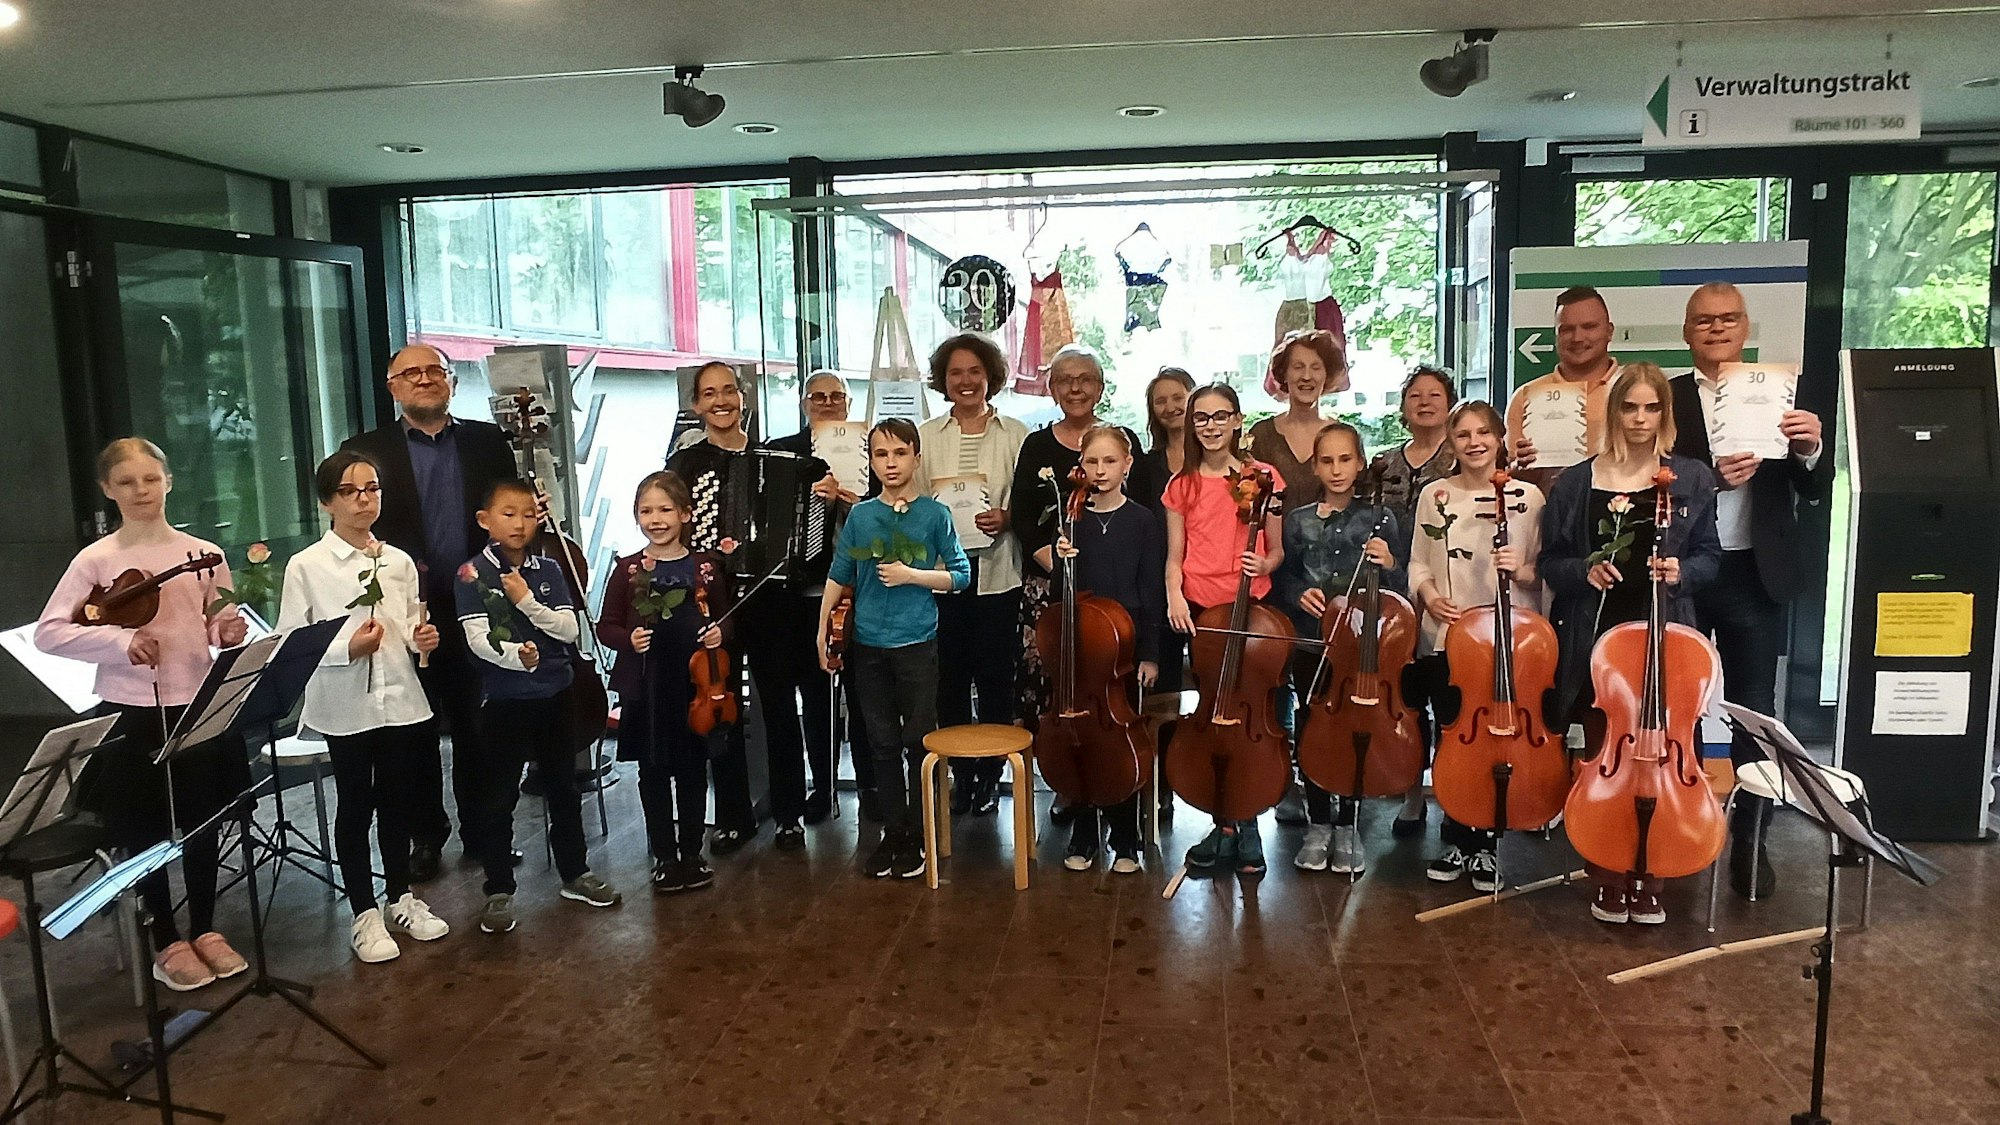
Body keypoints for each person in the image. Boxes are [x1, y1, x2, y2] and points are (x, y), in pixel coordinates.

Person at [36, 438, 252, 991]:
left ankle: (205, 927)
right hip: (132, 710)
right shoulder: (97, 559)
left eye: (150, 480)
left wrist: (227, 632)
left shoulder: (202, 552)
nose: (141, 492)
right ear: (108, 490)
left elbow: (219, 624)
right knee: (146, 827)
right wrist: (118, 641)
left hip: (197, 703)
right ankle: (167, 938)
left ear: (169, 482)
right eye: (127, 483)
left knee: (203, 821)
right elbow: (51, 632)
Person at [1538, 363, 1720, 926]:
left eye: (1651, 408)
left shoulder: (1690, 478)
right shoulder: (1575, 481)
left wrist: (1680, 573)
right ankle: (1608, 871)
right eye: (1629, 407)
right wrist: (1582, 573)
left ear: (1665, 414)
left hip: (1666, 638)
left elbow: (1711, 558)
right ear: (1613, 411)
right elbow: (1551, 562)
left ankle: (1655, 871)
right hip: (1597, 643)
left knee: (1665, 757)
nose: (1640, 419)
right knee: (1606, 758)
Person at [1670, 282, 1830, 897]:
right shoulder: (1666, 398)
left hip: (1755, 575)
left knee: (1754, 713)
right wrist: (1709, 481)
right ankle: (1676, 824)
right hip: (1686, 570)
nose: (1716, 328)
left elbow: (1815, 489)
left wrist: (1810, 448)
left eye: (1728, 318)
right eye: (1703, 320)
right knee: (1672, 703)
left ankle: (1751, 842)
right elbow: (1648, 482)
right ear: (1687, 332)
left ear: (1746, 327)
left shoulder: (1781, 395)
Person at [343, 342, 521, 883]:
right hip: (404, 615)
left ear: (451, 382)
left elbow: (509, 517)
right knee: (413, 733)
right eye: (410, 373)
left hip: (478, 607)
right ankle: (426, 835)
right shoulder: (364, 450)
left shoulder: (488, 442)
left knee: (479, 728)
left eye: (434, 371)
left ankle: (483, 831)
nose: (424, 379)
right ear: (392, 386)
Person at [276, 451, 451, 963]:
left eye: (372, 488)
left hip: (400, 697)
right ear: (327, 501)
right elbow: (291, 639)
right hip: (345, 702)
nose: (364, 499)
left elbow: (406, 625)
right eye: (350, 491)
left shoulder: (395, 560)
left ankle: (400, 896)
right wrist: (343, 649)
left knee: (399, 798)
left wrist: (425, 640)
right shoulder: (306, 565)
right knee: (356, 802)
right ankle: (362, 911)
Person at [455, 478, 622, 933]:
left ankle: (575, 872)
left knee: (563, 789)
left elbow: (569, 631)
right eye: (508, 514)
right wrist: (517, 657)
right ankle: (499, 888)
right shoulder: (471, 574)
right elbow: (475, 639)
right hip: (504, 701)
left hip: (556, 694)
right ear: (485, 521)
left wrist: (526, 603)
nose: (520, 523)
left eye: (529, 514)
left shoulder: (548, 570)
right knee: (499, 796)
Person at [817, 420, 971, 879]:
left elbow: (960, 575)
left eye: (900, 453)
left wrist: (914, 576)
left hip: (917, 645)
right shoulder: (862, 516)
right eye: (881, 454)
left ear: (916, 459)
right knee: (881, 742)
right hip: (868, 646)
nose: (891, 463)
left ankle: (921, 835)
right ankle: (894, 833)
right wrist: (822, 626)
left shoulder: (934, 514)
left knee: (918, 741)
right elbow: (840, 572)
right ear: (871, 461)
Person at [1407, 401, 1546, 891]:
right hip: (1451, 636)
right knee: (1454, 738)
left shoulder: (1527, 497)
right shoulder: (1435, 494)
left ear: (1500, 437)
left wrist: (1521, 570)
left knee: (1499, 741)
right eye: (1463, 434)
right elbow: (1419, 563)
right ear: (1451, 441)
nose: (1474, 442)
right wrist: (1431, 598)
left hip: (1512, 641)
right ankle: (1455, 834)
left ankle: (1487, 844)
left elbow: (1543, 571)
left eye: (1484, 432)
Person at [1163, 384, 1286, 875]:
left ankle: (1249, 821)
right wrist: (1174, 594)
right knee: (1213, 716)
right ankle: (1225, 823)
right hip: (1201, 610)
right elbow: (1175, 555)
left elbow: (1277, 550)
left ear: (1237, 420)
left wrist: (1265, 560)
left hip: (1250, 610)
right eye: (1201, 418)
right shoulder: (1183, 484)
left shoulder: (1262, 477)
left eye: (1221, 416)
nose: (1211, 426)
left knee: (1252, 717)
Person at [1271, 422, 1402, 875]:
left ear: (1361, 463)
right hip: (1312, 641)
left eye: (1345, 459)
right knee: (1312, 729)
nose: (1337, 469)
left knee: (1355, 731)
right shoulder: (1298, 519)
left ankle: (1349, 823)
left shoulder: (1382, 518)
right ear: (1315, 465)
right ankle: (1319, 823)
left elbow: (1398, 591)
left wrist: (1390, 564)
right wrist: (1296, 595)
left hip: (1364, 647)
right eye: (1327, 460)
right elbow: (1284, 577)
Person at [1032, 426, 1164, 873]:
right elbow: (1057, 595)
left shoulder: (1144, 520)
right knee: (1080, 740)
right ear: (1080, 468)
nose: (1100, 471)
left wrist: (1150, 653)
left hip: (1122, 652)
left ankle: (1125, 835)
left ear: (1127, 465)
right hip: (1079, 650)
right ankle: (1084, 828)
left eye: (1110, 462)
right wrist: (1060, 558)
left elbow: (1151, 591)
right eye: (1092, 462)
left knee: (1118, 740)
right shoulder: (1072, 520)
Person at [1012, 347, 1154, 760]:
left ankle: (1118, 779)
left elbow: (1138, 515)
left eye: (1085, 379)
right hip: (1057, 584)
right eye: (1065, 380)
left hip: (1116, 592)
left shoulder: (1122, 443)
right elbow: (1022, 515)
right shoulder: (1037, 444)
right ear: (1052, 388)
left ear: (1101, 387)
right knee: (1057, 690)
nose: (1076, 387)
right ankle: (1066, 779)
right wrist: (1059, 563)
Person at [595, 471, 728, 894]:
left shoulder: (705, 568)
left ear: (686, 514)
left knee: (692, 771)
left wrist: (720, 633)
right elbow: (606, 626)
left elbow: (727, 618)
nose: (656, 518)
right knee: (652, 773)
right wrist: (628, 639)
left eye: (666, 509)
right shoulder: (629, 569)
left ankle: (693, 853)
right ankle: (664, 857)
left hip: (695, 689)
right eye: (646, 510)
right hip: (648, 687)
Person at [916, 334, 1028, 818]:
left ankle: (991, 774)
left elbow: (1027, 503)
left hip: (998, 572)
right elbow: (912, 502)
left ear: (990, 377)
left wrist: (1008, 517)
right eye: (956, 372)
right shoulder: (923, 436)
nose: (966, 381)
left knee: (997, 679)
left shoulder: (1016, 433)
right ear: (943, 379)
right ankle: (962, 776)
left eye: (975, 371)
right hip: (942, 577)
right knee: (951, 680)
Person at [763, 370, 877, 823]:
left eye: (837, 396)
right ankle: (823, 787)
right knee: (815, 697)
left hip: (863, 591)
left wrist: (849, 502)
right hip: (801, 595)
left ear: (848, 403)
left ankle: (870, 787)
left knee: (864, 698)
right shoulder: (780, 449)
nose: (828, 403)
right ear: (804, 402)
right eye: (818, 396)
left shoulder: (873, 448)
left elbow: (889, 515)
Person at [664, 361, 759, 852]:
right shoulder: (685, 463)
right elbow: (666, 524)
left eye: (729, 391)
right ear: (696, 404)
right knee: (714, 706)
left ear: (743, 396)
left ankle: (763, 813)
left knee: (759, 707)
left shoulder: (771, 455)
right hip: (707, 601)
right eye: (709, 394)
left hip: (765, 599)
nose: (721, 401)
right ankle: (720, 816)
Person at [1367, 365, 1460, 837]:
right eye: (1415, 396)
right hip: (1392, 598)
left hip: (1444, 592)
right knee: (1405, 700)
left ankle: (1453, 793)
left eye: (1435, 395)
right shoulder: (1384, 462)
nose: (1424, 403)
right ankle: (1409, 793)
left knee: (1448, 701)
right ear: (1404, 406)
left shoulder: (1463, 456)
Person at [1507, 287, 1622, 494]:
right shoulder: (1526, 397)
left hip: (1624, 512)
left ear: (1609, 331)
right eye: (1567, 329)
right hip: (1548, 515)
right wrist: (1522, 467)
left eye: (1589, 327)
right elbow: (1513, 478)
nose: (1578, 337)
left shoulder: (1636, 391)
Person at [1247, 330, 1350, 514]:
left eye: (1316, 367)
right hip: (1268, 542)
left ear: (1327, 374)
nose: (1307, 376)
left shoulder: (1344, 437)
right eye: (1298, 366)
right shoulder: (1261, 435)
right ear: (1284, 373)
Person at [1135, 366, 1196, 515]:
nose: (1169, 408)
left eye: (1178, 398)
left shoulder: (1212, 458)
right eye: (1160, 401)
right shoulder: (1146, 466)